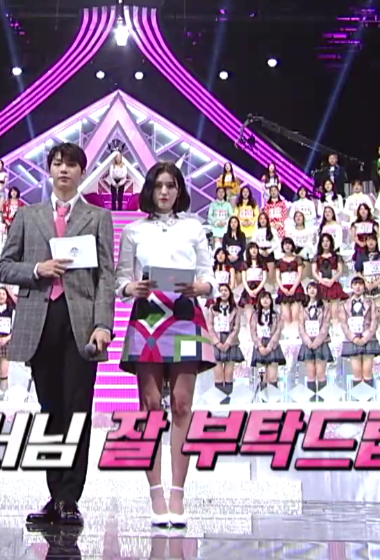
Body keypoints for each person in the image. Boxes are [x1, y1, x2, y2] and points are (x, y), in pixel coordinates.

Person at [0, 142, 114, 528]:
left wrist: (103, 324)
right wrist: (37, 269)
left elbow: (106, 276)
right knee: (50, 413)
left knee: (77, 410)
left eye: (72, 165)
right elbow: (3, 267)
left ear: (82, 172)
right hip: (40, 323)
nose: (64, 170)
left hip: (81, 325)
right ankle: (54, 494)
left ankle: (69, 497)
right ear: (49, 170)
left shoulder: (97, 216)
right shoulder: (28, 216)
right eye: (58, 164)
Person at [117, 161, 215, 528]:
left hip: (185, 314)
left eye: (170, 185)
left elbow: (209, 276)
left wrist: (200, 287)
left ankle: (178, 492)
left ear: (179, 190)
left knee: (183, 404)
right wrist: (131, 288)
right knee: (150, 407)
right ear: (149, 189)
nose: (164, 192)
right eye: (158, 185)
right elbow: (120, 280)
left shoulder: (194, 227)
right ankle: (155, 492)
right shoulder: (133, 231)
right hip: (148, 317)